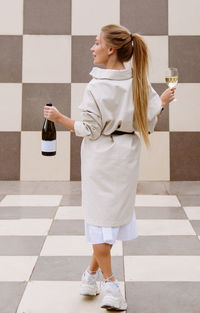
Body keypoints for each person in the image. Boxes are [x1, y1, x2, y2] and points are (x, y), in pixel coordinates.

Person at [44, 24, 175, 311]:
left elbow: (87, 130)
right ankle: (91, 276)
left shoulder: (96, 86)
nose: (92, 48)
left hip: (101, 159)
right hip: (127, 157)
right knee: (109, 221)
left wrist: (57, 117)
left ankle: (112, 286)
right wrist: (162, 103)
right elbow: (149, 119)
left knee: (101, 220)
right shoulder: (139, 80)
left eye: (96, 43)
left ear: (110, 49)